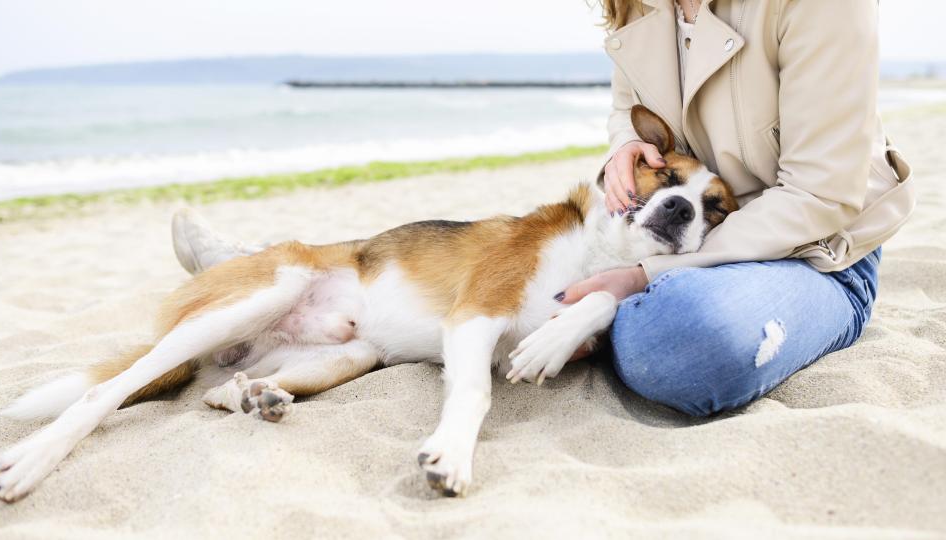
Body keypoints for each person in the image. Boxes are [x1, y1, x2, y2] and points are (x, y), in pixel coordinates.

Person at [172, 0, 914, 417]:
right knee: (517, 265)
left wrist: (641, 279)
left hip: (815, 252)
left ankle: (278, 272)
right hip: (673, 229)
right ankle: (273, 265)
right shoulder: (636, 3)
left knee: (679, 346)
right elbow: (634, 114)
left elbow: (822, 195)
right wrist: (625, 147)